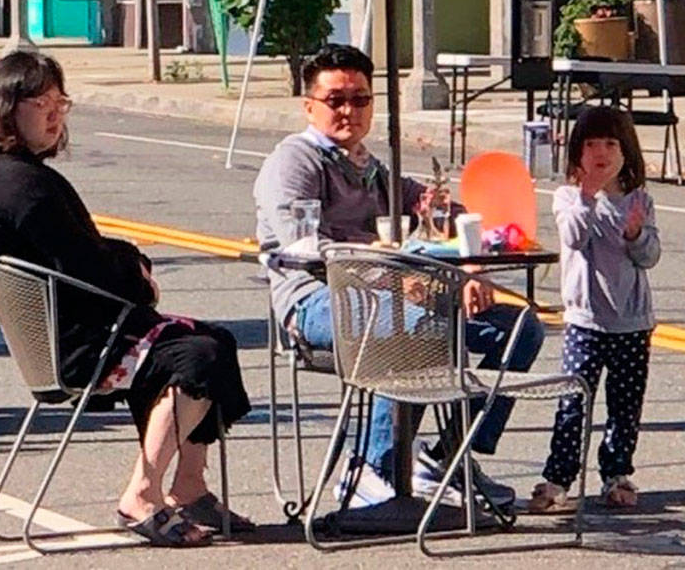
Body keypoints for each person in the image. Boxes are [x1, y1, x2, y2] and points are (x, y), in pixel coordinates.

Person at [0, 51, 252, 547]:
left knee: (210, 337)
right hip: (79, 344)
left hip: (64, 332)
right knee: (199, 354)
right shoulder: (24, 185)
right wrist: (137, 277)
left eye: (60, 103)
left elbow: (78, 252)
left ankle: (189, 485)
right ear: (6, 108)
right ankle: (142, 493)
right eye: (41, 102)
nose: (54, 114)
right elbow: (84, 265)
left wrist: (126, 260)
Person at [254, 43, 543, 509]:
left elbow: (438, 207)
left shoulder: (369, 167)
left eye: (361, 100)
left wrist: (465, 258)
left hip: (387, 298)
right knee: (420, 323)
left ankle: (447, 457)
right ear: (310, 106)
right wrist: (388, 271)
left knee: (519, 330)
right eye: (336, 100)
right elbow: (303, 247)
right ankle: (371, 466)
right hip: (313, 303)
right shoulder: (295, 161)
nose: (349, 110)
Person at [530, 106, 658, 513]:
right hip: (585, 321)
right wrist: (587, 197)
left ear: (627, 152)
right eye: (590, 145)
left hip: (632, 322)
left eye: (610, 143)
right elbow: (573, 236)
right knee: (573, 401)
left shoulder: (639, 199)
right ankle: (558, 478)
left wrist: (636, 233)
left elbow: (650, 256)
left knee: (625, 405)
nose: (600, 152)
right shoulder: (568, 197)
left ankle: (617, 473)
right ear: (576, 154)